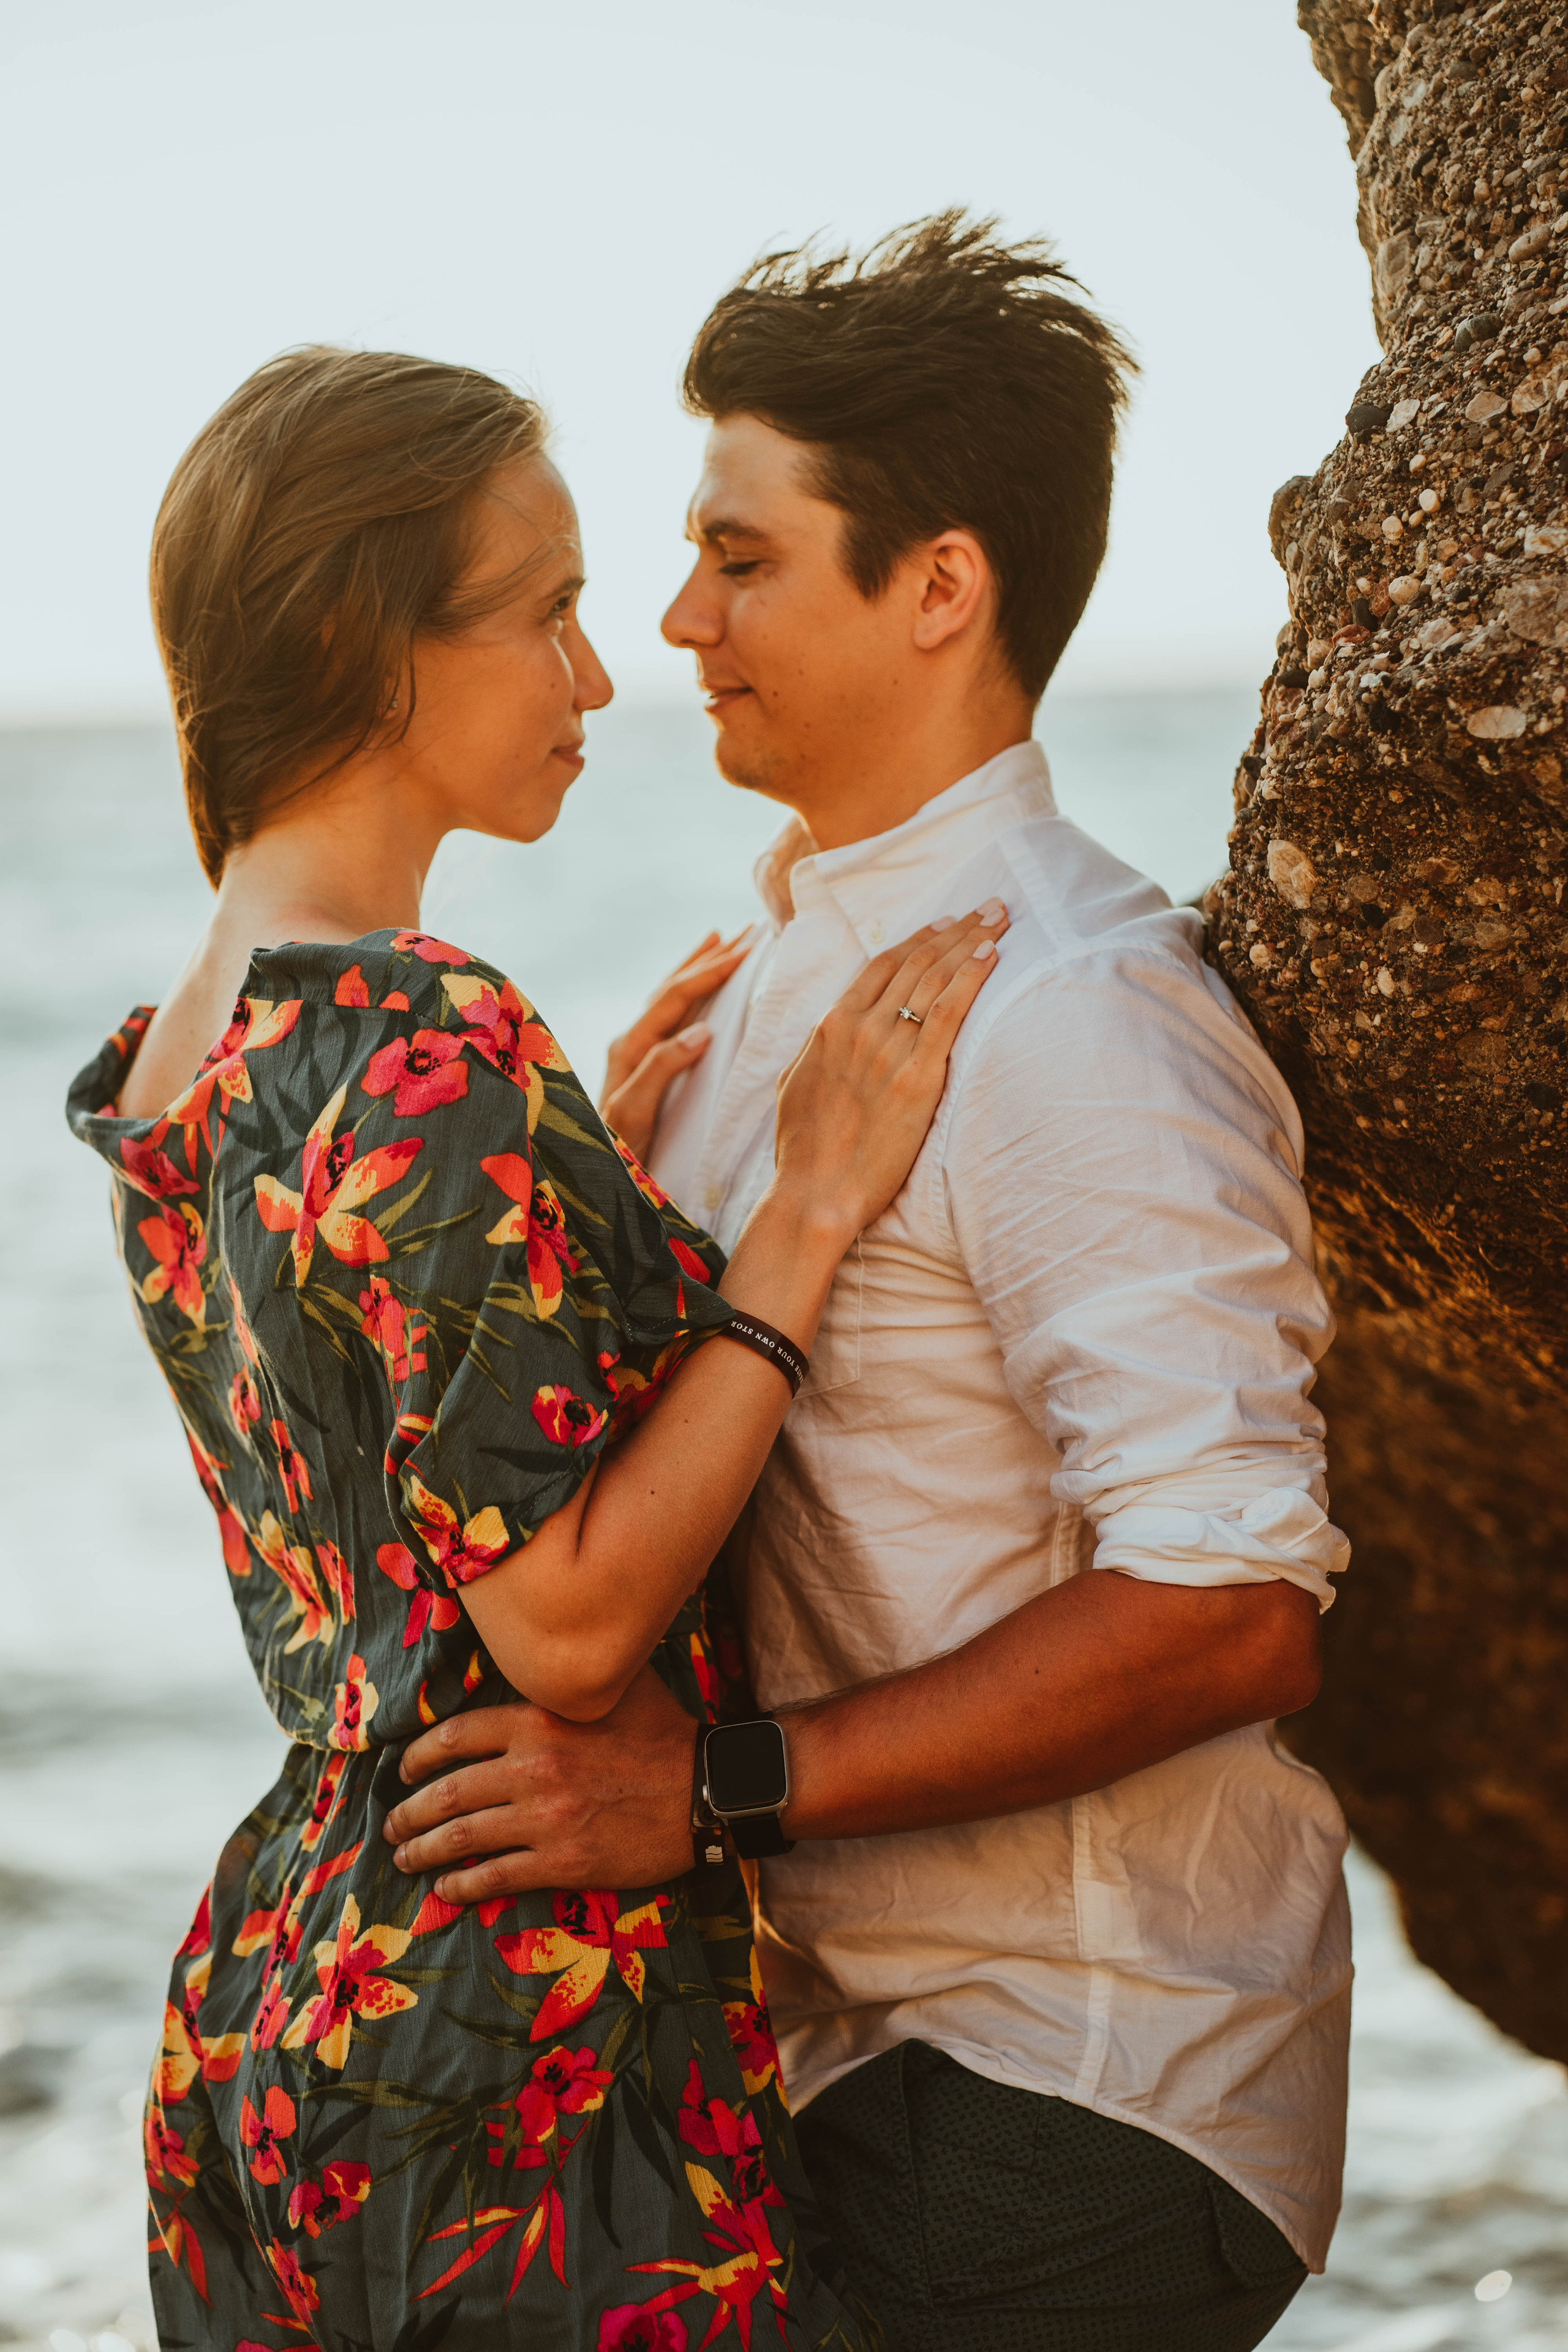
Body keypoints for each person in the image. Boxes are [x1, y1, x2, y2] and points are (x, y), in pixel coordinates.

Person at [384, 216, 1354, 2352]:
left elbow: (1233, 1605)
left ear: (938, 586)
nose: (677, 619)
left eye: (741, 558)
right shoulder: (760, 995)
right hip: (830, 2058)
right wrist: (589, 1211)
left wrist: (703, 1793)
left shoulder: (1080, 1013)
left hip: (1077, 2082)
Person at [65, 342, 1011, 2348]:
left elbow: (368, 1442)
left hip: (274, 2001)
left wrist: (585, 1205)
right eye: (546, 611)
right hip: (512, 2026)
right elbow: (564, 1629)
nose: (599, 673)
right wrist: (804, 1215)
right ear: (364, 638)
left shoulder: (183, 1055)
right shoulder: (429, 1035)